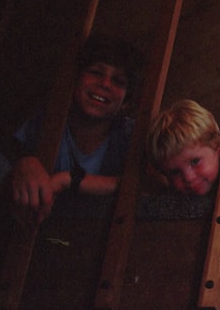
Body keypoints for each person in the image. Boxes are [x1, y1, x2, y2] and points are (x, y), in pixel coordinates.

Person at [10, 34, 144, 223]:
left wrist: (68, 180)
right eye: (96, 72)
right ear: (75, 79)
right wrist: (24, 162)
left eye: (118, 81)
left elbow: (147, 185)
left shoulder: (131, 137)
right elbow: (13, 164)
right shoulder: (48, 122)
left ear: (126, 101)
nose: (105, 84)